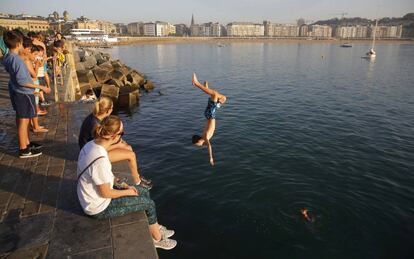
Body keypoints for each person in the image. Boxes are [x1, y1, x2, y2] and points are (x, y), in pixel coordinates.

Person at [77, 115, 177, 250]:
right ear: (114, 136)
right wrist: (128, 191)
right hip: (97, 207)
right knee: (149, 204)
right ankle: (157, 239)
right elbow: (105, 193)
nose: (122, 137)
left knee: (143, 191)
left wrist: (118, 182)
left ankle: (155, 226)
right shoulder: (100, 159)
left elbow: (99, 176)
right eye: (122, 133)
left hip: (90, 197)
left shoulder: (92, 145)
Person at [78, 97, 152, 189]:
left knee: (128, 148)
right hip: (91, 154)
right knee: (131, 155)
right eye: (112, 107)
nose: (113, 109)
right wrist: (118, 144)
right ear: (108, 110)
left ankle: (136, 174)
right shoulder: (96, 125)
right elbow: (100, 147)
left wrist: (117, 142)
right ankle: (137, 182)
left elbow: (100, 142)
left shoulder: (95, 119)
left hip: (91, 148)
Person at [1, 31, 51, 158]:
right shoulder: (16, 60)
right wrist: (41, 87)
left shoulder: (7, 57)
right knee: (24, 121)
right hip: (23, 93)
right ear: (18, 44)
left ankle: (26, 143)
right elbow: (23, 82)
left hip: (16, 91)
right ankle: (24, 149)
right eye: (22, 43)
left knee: (21, 119)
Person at [191, 73, 227, 166]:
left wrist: (211, 158)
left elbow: (209, 146)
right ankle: (206, 87)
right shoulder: (204, 135)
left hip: (210, 115)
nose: (198, 146)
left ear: (198, 141)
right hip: (209, 115)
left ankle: (197, 83)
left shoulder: (205, 137)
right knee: (223, 98)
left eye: (197, 145)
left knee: (214, 94)